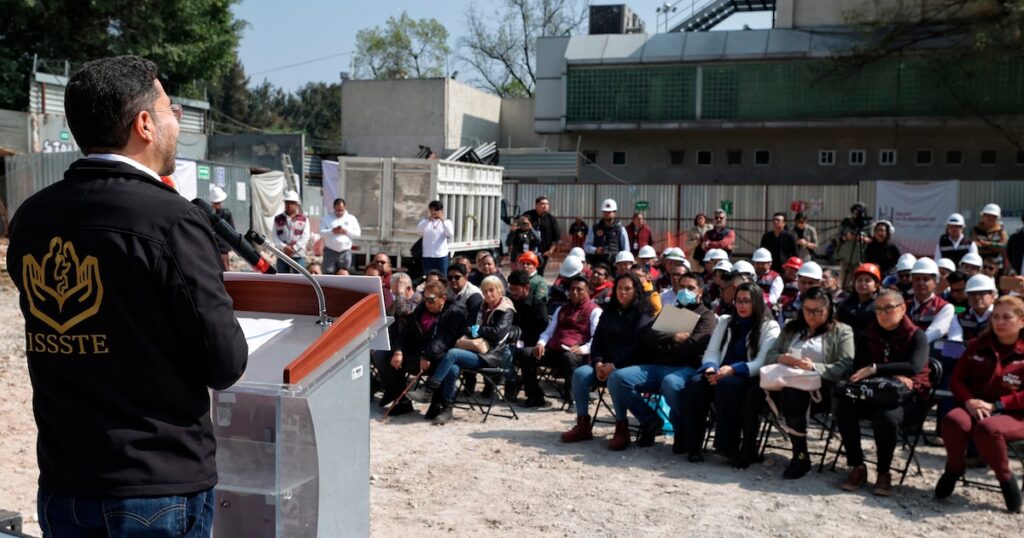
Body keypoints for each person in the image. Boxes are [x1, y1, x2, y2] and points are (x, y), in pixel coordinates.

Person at [7, 56, 248, 534]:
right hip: (155, 487)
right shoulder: (172, 220)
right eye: (169, 110)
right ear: (143, 124)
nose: (176, 121)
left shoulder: (31, 219)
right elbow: (226, 363)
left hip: (65, 482)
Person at [606, 273, 717, 451]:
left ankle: (681, 429)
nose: (685, 291)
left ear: (700, 292)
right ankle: (650, 421)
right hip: (657, 366)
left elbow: (692, 346)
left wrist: (661, 344)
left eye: (690, 288)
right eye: (681, 287)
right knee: (617, 378)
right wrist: (672, 336)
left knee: (670, 383)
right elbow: (647, 336)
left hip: (685, 368)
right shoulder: (671, 310)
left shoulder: (707, 316)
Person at [836, 289, 930, 496]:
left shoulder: (917, 335)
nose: (882, 313)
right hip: (876, 392)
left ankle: (883, 471)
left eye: (889, 308)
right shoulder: (868, 334)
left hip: (908, 400)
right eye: (878, 309)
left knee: (886, 416)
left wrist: (876, 368)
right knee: (843, 406)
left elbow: (913, 367)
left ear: (902, 308)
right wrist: (888, 373)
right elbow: (860, 369)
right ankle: (857, 465)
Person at [936, 295, 1024, 513]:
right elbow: (956, 380)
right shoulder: (978, 345)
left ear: (1022, 321)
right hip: (975, 406)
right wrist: (969, 401)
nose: (1000, 322)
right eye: (996, 317)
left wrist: (997, 405)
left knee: (989, 428)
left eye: (1007, 317)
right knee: (953, 420)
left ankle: (1005, 478)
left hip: (1014, 414)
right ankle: (954, 468)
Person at [760, 287, 855, 478]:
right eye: (807, 309)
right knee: (754, 391)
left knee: (792, 396)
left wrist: (814, 367)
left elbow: (846, 365)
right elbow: (769, 355)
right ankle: (745, 448)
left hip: (822, 389)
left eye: (817, 311)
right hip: (784, 381)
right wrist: (782, 358)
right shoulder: (791, 328)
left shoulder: (842, 331)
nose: (811, 315)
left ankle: (800, 455)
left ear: (828, 310)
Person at [684, 282, 780, 465]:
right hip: (720, 371)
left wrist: (733, 370)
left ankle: (727, 446)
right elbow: (711, 351)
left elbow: (762, 362)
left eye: (746, 301)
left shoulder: (770, 327)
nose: (741, 306)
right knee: (696, 383)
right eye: (738, 301)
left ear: (757, 303)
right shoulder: (726, 321)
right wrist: (711, 367)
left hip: (747, 376)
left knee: (727, 385)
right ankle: (692, 445)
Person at [560, 273, 654, 447]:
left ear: (636, 291)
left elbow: (636, 346)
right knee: (580, 374)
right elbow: (597, 341)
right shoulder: (609, 311)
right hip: (604, 364)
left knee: (616, 377)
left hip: (630, 365)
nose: (622, 292)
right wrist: (597, 363)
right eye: (619, 288)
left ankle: (621, 427)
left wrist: (614, 365)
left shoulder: (643, 312)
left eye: (627, 289)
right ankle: (583, 424)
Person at [525, 276, 602, 408]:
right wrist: (540, 344)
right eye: (572, 289)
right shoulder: (562, 309)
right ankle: (535, 396)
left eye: (579, 289)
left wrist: (581, 349)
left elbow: (597, 339)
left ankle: (572, 399)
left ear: (588, 292)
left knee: (569, 357)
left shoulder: (595, 311)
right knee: (526, 353)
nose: (575, 292)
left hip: (578, 354)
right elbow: (548, 332)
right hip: (556, 350)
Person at [402, 282, 470, 423]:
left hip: (452, 352)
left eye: (431, 299)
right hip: (428, 352)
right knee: (386, 356)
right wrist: (398, 350)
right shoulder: (422, 309)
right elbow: (407, 331)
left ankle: (442, 406)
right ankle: (403, 403)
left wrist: (427, 355)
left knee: (449, 366)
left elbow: (445, 338)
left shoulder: (455, 311)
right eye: (424, 299)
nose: (427, 303)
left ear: (443, 298)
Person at [370, 272, 421, 416]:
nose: (393, 293)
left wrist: (400, 293)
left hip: (414, 348)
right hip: (398, 345)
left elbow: (404, 311)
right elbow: (389, 322)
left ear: (407, 287)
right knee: (377, 353)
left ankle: (401, 399)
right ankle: (393, 393)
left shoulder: (418, 298)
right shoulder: (397, 301)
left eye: (395, 290)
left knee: (385, 357)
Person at [507, 270, 553, 406]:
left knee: (525, 353)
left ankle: (534, 395)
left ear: (526, 287)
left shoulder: (538, 306)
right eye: (510, 288)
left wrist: (519, 341)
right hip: (513, 342)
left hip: (533, 344)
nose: (512, 292)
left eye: (515, 289)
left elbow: (541, 331)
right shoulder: (511, 303)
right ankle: (511, 381)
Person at [908, 257, 958, 343]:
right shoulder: (904, 306)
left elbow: (932, 334)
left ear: (935, 281)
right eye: (917, 279)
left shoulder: (945, 307)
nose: (921, 283)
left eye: (926, 279)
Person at [837, 263, 881, 336]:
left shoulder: (879, 305)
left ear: (876, 286)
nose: (863, 283)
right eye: (859, 280)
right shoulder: (846, 303)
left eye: (867, 281)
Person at [273, 189, 311, 273]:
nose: (289, 205)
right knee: (283, 281)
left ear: (297, 204)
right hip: (282, 255)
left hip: (298, 255)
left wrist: (294, 248)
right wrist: (284, 247)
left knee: (300, 280)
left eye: (292, 203)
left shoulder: (304, 219)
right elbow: (274, 237)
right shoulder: (278, 219)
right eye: (287, 202)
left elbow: (305, 236)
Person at [584, 198, 629, 267]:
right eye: (605, 212)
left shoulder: (621, 229)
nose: (606, 214)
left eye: (609, 212)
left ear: (614, 213)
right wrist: (595, 250)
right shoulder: (594, 228)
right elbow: (586, 246)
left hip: (615, 265)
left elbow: (626, 250)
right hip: (597, 264)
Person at [523, 196, 562, 274]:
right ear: (536, 205)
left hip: (544, 251)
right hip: (529, 250)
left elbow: (557, 236)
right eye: (543, 204)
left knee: (540, 271)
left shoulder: (551, 219)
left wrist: (550, 251)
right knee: (526, 271)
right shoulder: (528, 215)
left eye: (547, 204)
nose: (545, 206)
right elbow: (517, 227)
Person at [320, 197, 361, 274]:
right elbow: (321, 232)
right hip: (330, 251)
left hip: (345, 251)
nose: (339, 212)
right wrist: (332, 231)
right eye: (337, 210)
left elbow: (358, 234)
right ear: (333, 208)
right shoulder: (327, 218)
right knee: (328, 273)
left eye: (341, 210)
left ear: (345, 208)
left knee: (344, 273)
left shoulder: (351, 218)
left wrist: (346, 231)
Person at [953, 274, 997, 342]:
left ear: (992, 295)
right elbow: (955, 342)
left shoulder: (1000, 316)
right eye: (972, 293)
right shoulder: (959, 318)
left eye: (981, 293)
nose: (977, 297)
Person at [779, 261, 823, 326]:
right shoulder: (787, 307)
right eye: (803, 282)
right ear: (798, 281)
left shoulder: (826, 307)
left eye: (811, 283)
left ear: (819, 283)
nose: (806, 286)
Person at [417, 200, 455, 276]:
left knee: (442, 277)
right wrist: (428, 220)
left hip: (441, 256)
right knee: (428, 276)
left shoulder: (447, 222)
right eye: (433, 210)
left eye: (437, 210)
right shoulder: (425, 221)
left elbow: (450, 233)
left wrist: (443, 220)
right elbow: (418, 231)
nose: (435, 212)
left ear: (441, 210)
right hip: (428, 256)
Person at [973, 203, 1009, 270]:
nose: (991, 218)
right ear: (983, 216)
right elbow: (974, 246)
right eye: (988, 216)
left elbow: (1004, 247)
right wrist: (994, 246)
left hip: (998, 266)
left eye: (994, 216)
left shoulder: (1001, 231)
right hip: (980, 265)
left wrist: (986, 244)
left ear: (998, 218)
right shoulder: (976, 230)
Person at [210, 186, 234, 270]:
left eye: (218, 203)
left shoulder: (226, 214)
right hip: (212, 249)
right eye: (216, 203)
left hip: (223, 249)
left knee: (225, 273)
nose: (218, 205)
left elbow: (232, 231)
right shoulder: (209, 214)